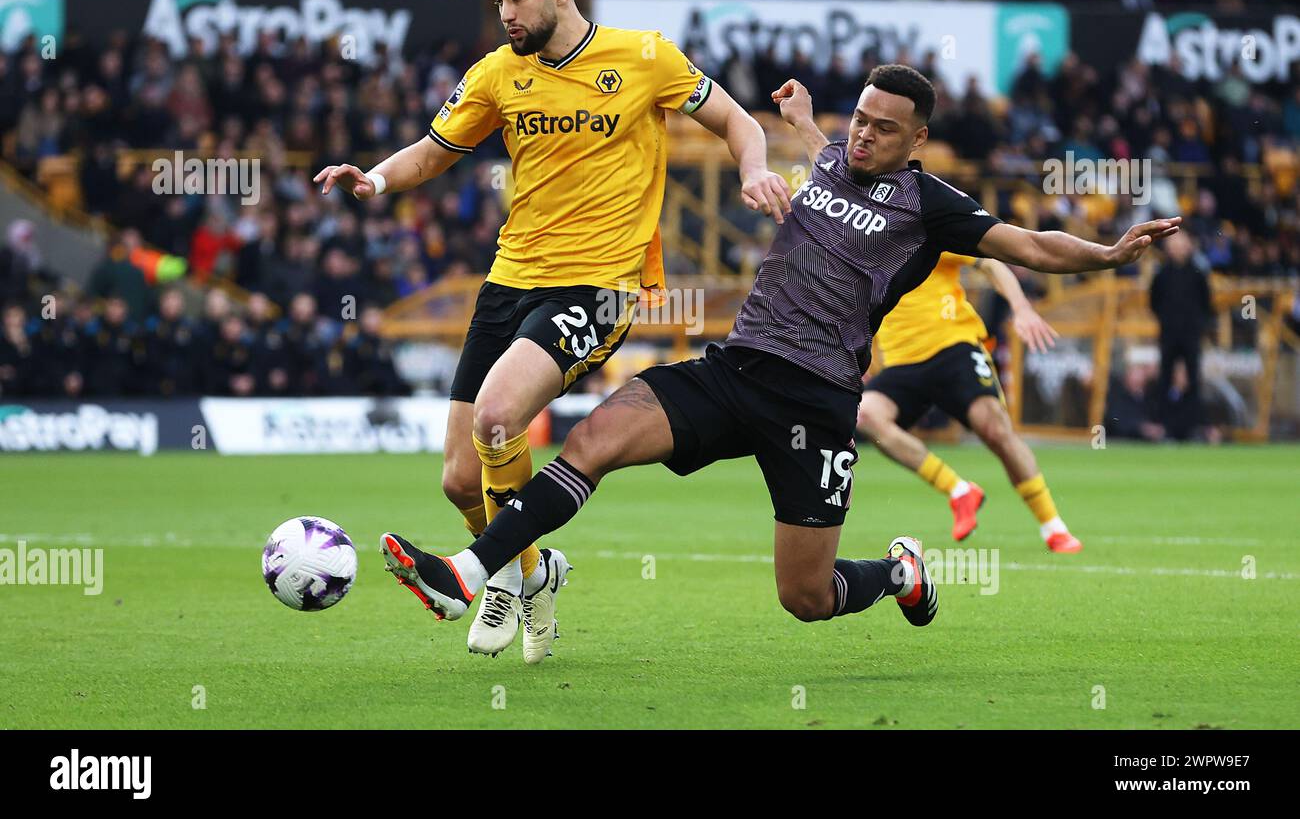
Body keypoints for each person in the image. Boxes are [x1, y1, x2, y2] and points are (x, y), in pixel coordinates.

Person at [377, 65, 1181, 634]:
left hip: (817, 401)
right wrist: (799, 119)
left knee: (805, 597)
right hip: (736, 368)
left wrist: (1110, 254)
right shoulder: (835, 153)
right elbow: (819, 139)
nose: (863, 134)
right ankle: (470, 573)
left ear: (919, 139)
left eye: (884, 127)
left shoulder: (933, 206)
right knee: (593, 438)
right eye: (859, 117)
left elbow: (1031, 243)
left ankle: (900, 571)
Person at [314, 0, 790, 662]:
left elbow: (736, 119)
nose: (505, 11)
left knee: (501, 416)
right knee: (457, 478)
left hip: (601, 284)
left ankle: (493, 579)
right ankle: (534, 572)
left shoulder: (645, 56)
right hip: (511, 278)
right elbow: (434, 150)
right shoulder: (497, 74)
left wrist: (755, 168)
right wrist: (374, 179)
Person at [856, 252, 1083, 552]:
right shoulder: (863, 241)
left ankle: (1053, 526)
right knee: (866, 415)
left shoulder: (928, 223)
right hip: (902, 362)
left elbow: (990, 262)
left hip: (954, 347)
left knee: (994, 430)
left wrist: (1021, 308)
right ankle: (959, 490)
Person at [1149, 231, 1210, 437]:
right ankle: (1163, 425)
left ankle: (1192, 425)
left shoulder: (1197, 273)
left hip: (1191, 335)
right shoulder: (1162, 274)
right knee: (1165, 378)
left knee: (1192, 379)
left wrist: (1197, 325)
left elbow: (1206, 303)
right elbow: (1154, 302)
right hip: (1169, 334)